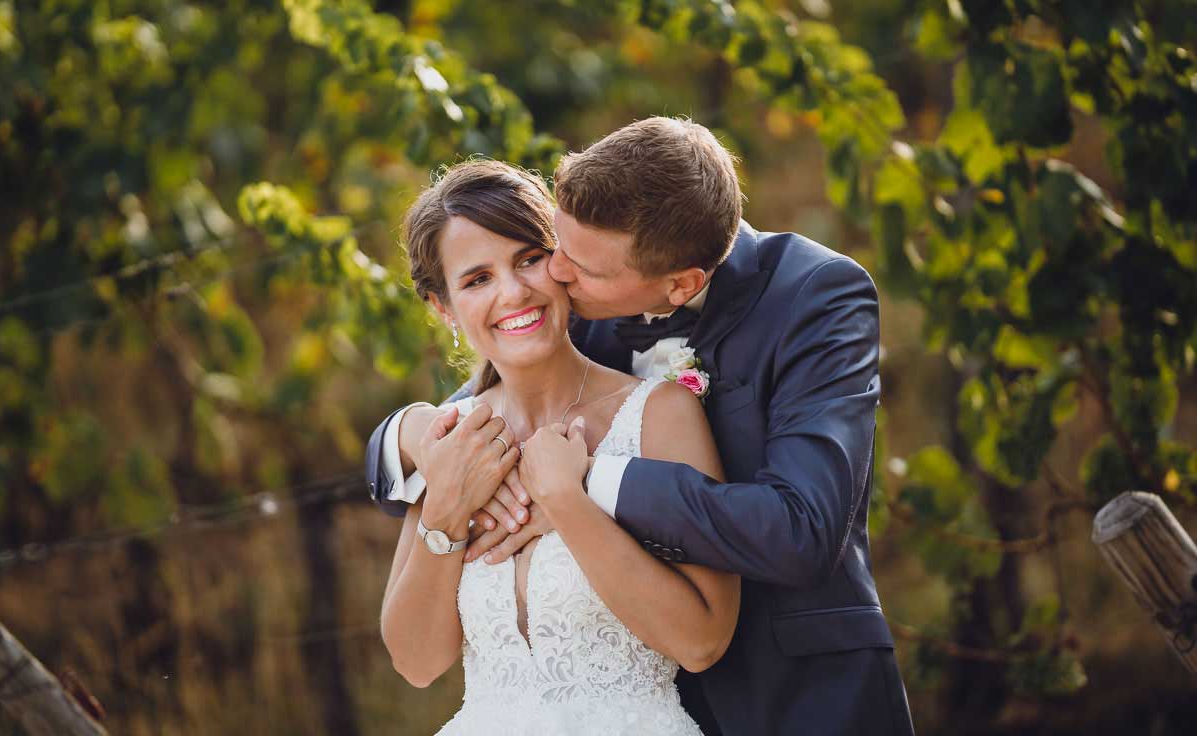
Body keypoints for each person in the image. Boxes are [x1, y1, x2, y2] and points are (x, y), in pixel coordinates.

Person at [368, 117, 915, 734]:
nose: (553, 276)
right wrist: (413, 438)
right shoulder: (583, 288)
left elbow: (802, 531)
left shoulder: (815, 297)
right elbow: (495, 388)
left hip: (797, 697)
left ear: (680, 285)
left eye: (539, 259)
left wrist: (582, 489)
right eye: (557, 249)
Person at [378, 159, 740, 735]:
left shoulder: (658, 413)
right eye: (478, 279)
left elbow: (702, 641)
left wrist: (568, 502)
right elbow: (417, 664)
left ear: (563, 262)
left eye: (529, 259)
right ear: (443, 307)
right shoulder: (449, 441)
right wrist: (445, 507)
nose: (513, 292)